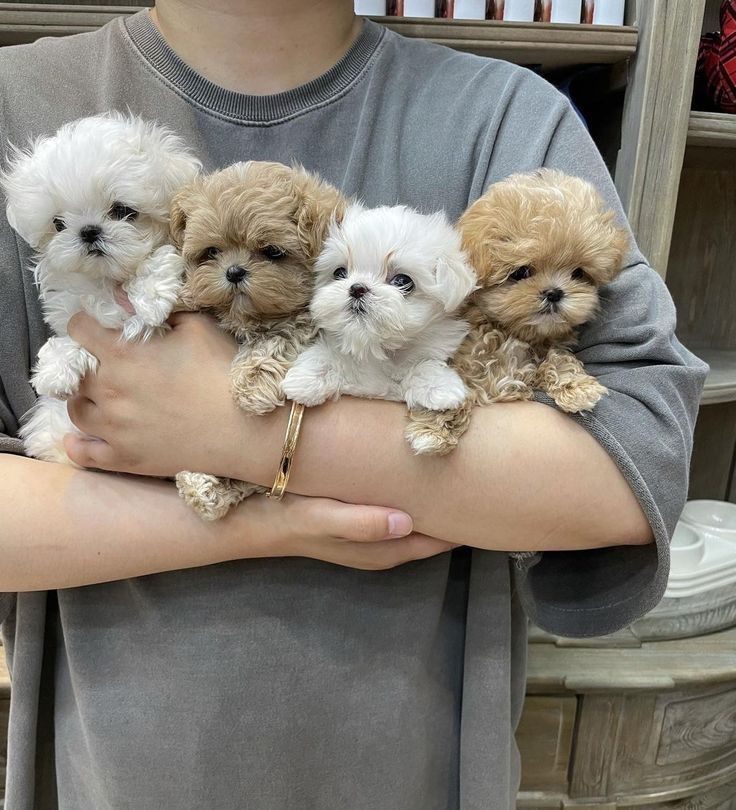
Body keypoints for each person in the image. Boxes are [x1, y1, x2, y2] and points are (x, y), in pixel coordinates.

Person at [0, 1, 707, 808]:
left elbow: (636, 462)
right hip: (112, 771)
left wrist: (242, 434)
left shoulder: (510, 118)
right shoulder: (16, 105)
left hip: (417, 763)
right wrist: (281, 520)